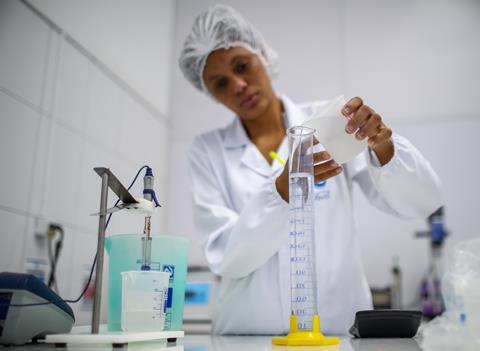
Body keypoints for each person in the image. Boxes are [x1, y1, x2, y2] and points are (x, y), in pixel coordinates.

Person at [178, 4, 443, 335]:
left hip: (334, 334)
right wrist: (281, 191)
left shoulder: (327, 121)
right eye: (220, 83)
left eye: (242, 66)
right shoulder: (207, 151)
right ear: (213, 96)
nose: (238, 85)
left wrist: (383, 147)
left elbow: (422, 201)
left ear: (263, 55)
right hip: (247, 336)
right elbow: (226, 257)